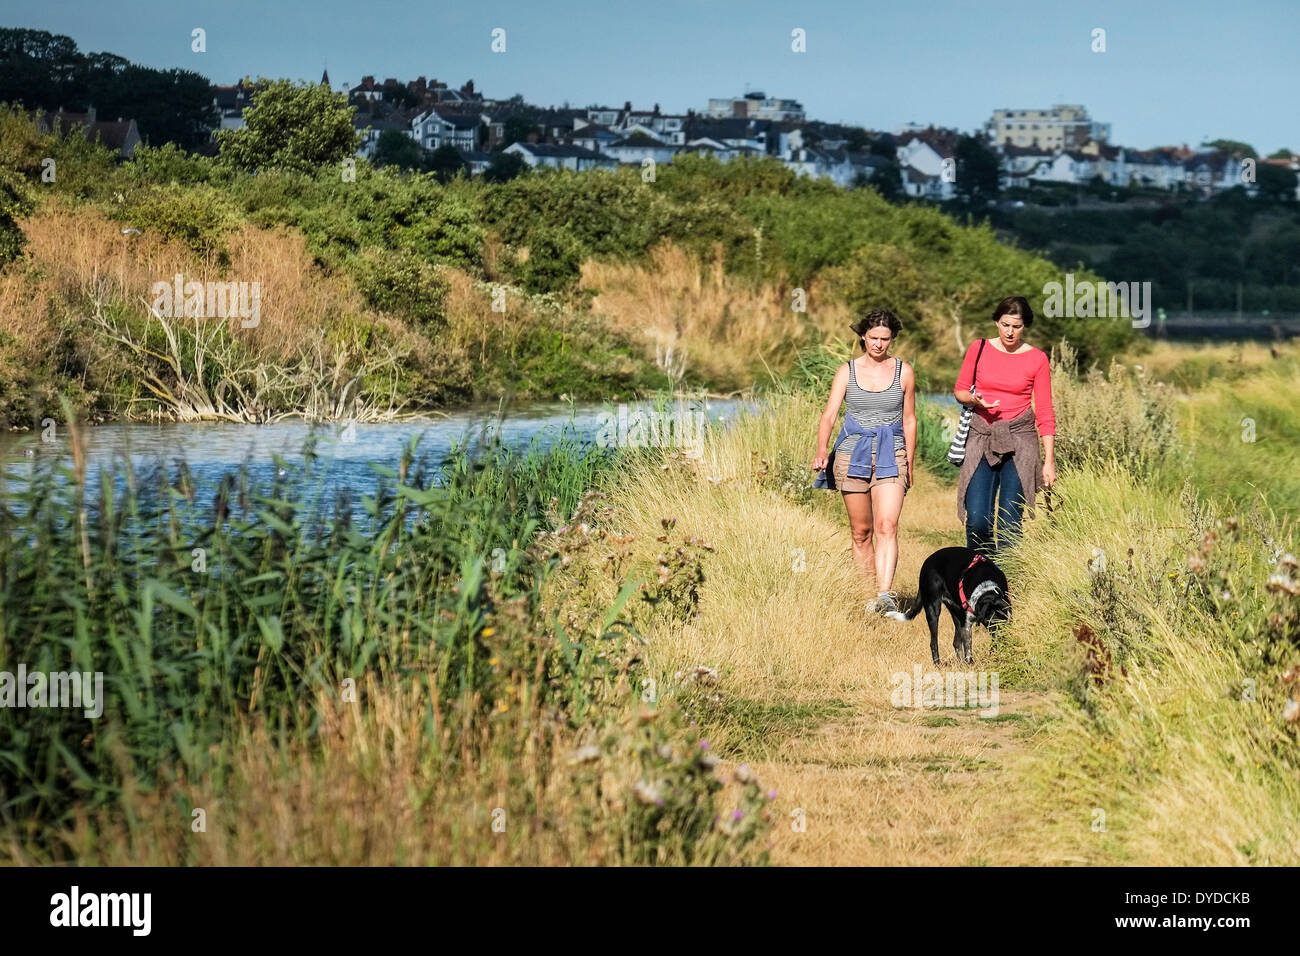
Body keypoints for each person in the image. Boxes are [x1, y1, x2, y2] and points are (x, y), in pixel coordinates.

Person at [813, 308, 917, 615]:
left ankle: (885, 595)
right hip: (852, 453)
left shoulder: (904, 371)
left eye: (885, 339)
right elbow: (830, 414)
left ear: (892, 338)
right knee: (861, 532)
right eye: (874, 337)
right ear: (863, 336)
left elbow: (909, 420)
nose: (879, 344)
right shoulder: (846, 371)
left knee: (887, 525)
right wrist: (822, 450)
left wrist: (908, 463)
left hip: (891, 452)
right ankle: (867, 595)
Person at [953, 295, 1057, 553]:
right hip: (982, 436)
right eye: (1005, 324)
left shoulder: (1037, 359)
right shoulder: (978, 348)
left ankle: (1006, 583)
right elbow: (960, 390)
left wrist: (1049, 460)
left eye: (1017, 326)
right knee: (977, 518)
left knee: (1010, 521)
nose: (1010, 332)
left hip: (1020, 440)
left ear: (1025, 326)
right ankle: (981, 579)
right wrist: (975, 401)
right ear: (996, 322)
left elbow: (1044, 410)